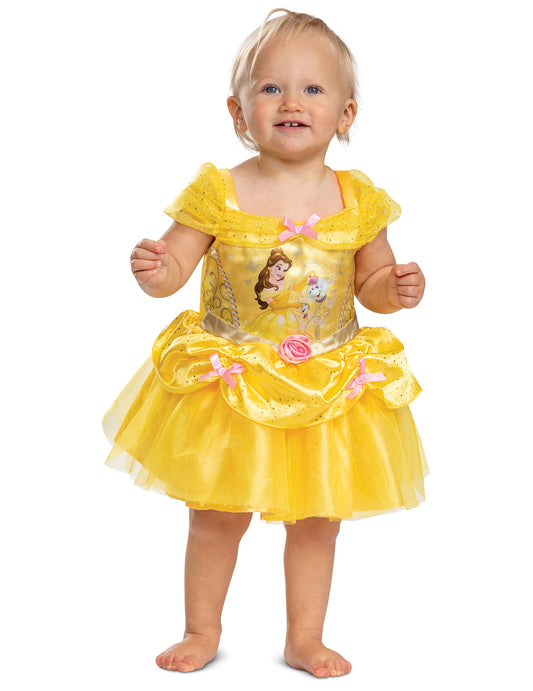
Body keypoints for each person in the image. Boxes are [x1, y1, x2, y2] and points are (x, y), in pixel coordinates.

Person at [103, 8, 428, 679]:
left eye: (312, 89)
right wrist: (156, 271)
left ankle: (304, 638)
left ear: (345, 114)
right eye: (270, 87)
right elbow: (175, 266)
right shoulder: (219, 191)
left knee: (317, 519)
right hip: (234, 385)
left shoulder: (358, 199)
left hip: (324, 387)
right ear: (238, 111)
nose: (291, 102)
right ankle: (201, 628)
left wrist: (393, 289)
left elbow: (369, 281)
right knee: (216, 515)